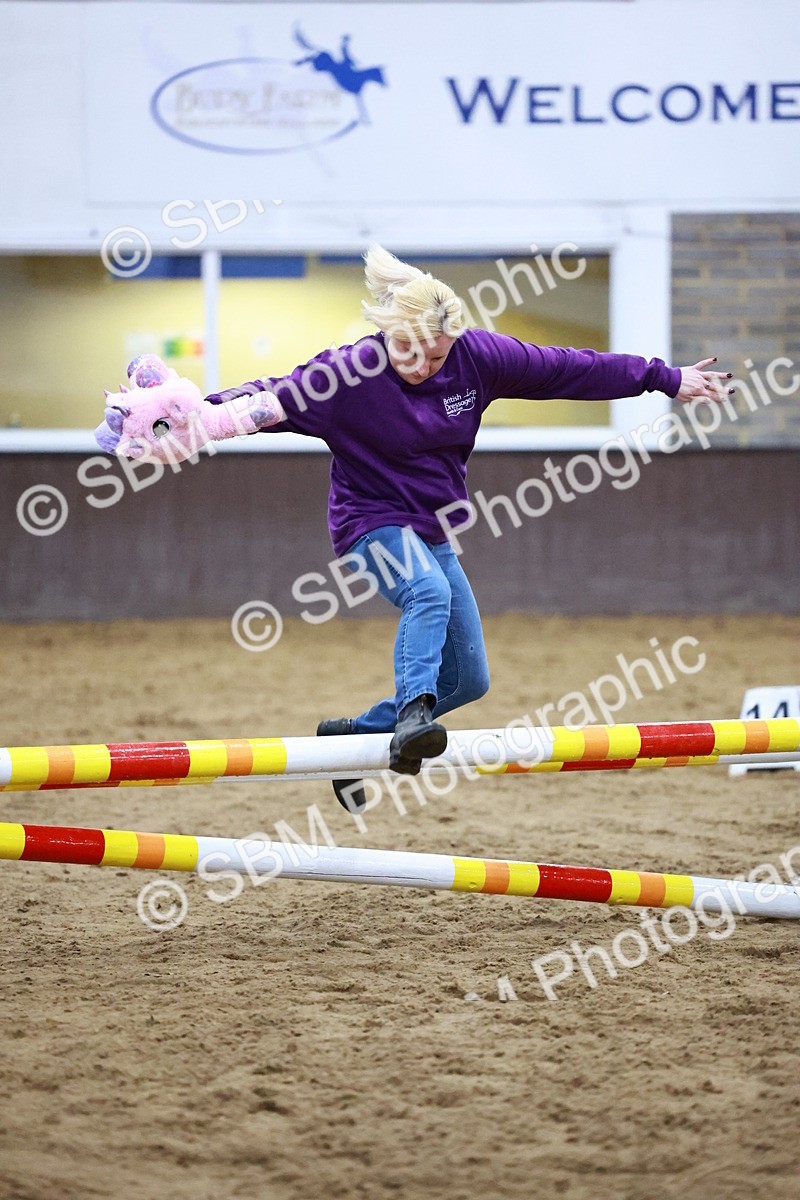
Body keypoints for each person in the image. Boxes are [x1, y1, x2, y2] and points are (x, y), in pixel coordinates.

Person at [205, 246, 733, 812]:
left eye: (436, 356)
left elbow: (569, 368)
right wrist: (191, 417)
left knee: (469, 679)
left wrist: (664, 378)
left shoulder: (477, 357)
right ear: (388, 332)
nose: (423, 366)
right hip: (368, 523)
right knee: (425, 592)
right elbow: (267, 397)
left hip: (431, 529)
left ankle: (356, 735)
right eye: (409, 351)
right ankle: (411, 721)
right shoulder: (346, 374)